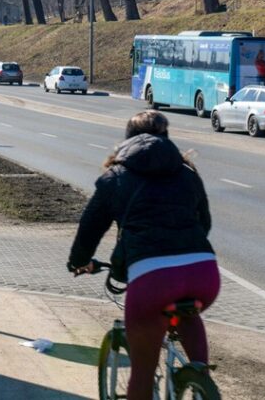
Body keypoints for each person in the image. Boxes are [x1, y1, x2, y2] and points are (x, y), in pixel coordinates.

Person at [68, 111, 219, 400]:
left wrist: (79, 261)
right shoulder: (188, 173)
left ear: (127, 140)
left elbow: (90, 229)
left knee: (143, 372)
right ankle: (201, 382)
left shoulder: (114, 177)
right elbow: (205, 223)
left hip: (153, 280)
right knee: (188, 313)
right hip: (204, 274)